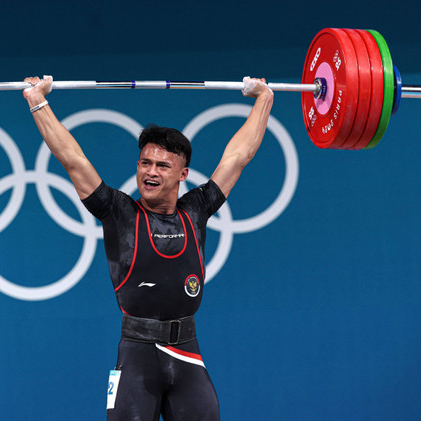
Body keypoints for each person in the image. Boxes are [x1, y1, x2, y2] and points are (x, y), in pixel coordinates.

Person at [23, 75, 273, 421]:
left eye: (162, 165)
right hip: (137, 357)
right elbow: (73, 160)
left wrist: (264, 98)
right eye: (145, 163)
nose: (150, 172)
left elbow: (238, 156)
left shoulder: (196, 209)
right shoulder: (119, 212)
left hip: (187, 353)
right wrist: (37, 100)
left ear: (183, 173)